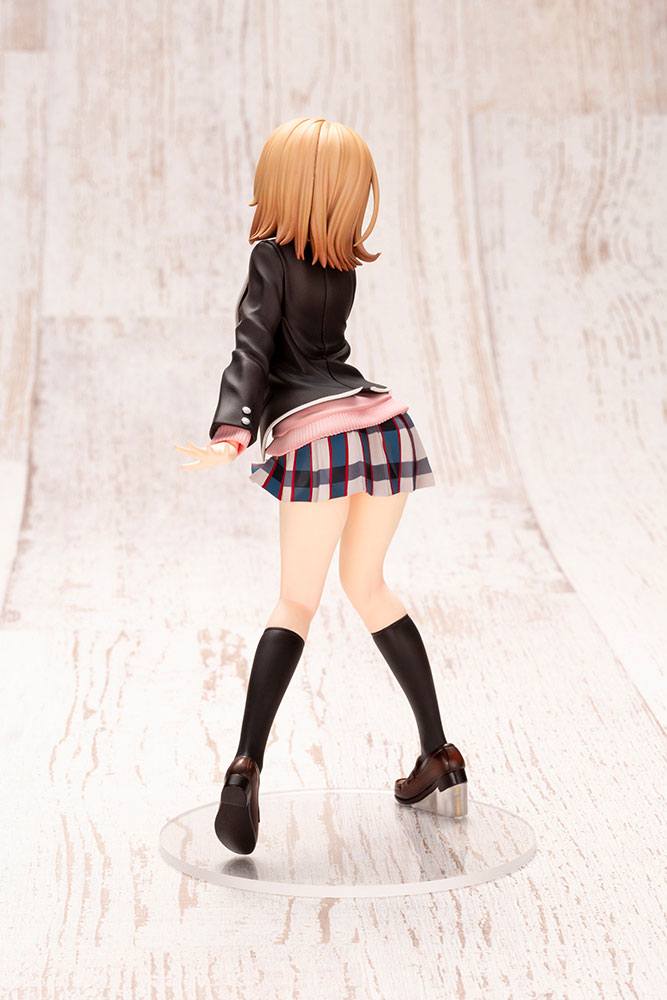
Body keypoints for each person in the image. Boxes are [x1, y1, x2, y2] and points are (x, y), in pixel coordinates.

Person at [175, 117, 467, 855]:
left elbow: (253, 345)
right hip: (383, 424)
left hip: (320, 441)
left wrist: (232, 428)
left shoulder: (271, 257)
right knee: (369, 585)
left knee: (296, 602)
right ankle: (439, 754)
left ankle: (245, 766)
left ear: (283, 184)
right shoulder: (342, 268)